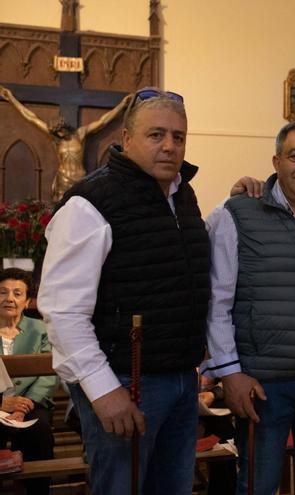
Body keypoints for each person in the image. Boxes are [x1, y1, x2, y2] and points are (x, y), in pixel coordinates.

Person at [38, 87, 211, 494]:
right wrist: (103, 391)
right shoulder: (91, 203)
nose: (170, 146)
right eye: (156, 135)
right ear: (127, 139)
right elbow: (62, 311)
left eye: (178, 137)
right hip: (124, 382)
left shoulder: (183, 196)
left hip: (180, 380)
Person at [201, 120, 295, 495]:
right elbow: (216, 300)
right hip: (263, 384)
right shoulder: (239, 213)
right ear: (276, 161)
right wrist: (230, 373)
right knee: (258, 486)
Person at [0, 85, 133, 201]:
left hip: (80, 178)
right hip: (63, 180)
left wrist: (122, 104)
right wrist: (11, 99)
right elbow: (31, 118)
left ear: (65, 127)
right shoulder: (56, 139)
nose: (60, 135)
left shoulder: (80, 134)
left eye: (61, 131)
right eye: (57, 133)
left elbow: (103, 121)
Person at [0, 268, 58, 495]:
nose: (9, 299)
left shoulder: (41, 329)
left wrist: (22, 406)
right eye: (3, 292)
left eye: (17, 293)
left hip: (31, 403)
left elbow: (47, 376)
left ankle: (38, 491)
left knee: (39, 430)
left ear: (27, 302)